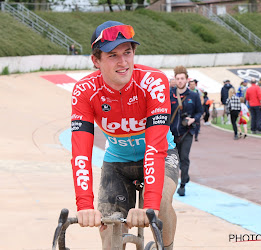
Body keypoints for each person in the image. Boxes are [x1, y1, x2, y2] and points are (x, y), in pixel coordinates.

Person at [70, 21, 179, 250]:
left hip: (160, 154)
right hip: (117, 162)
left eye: (127, 52)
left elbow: (155, 148)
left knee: (159, 202)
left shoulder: (153, 82)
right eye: (112, 55)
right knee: (109, 227)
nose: (123, 62)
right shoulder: (85, 91)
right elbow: (81, 152)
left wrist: (149, 205)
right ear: (96, 61)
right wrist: (84, 205)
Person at [170, 66, 203, 196]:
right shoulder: (169, 94)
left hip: (187, 132)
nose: (179, 81)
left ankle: (182, 185)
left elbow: (200, 111)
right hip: (172, 133)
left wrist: (192, 119)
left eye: (182, 78)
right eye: (177, 78)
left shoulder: (193, 96)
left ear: (187, 79)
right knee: (173, 160)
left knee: (184, 158)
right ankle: (176, 180)